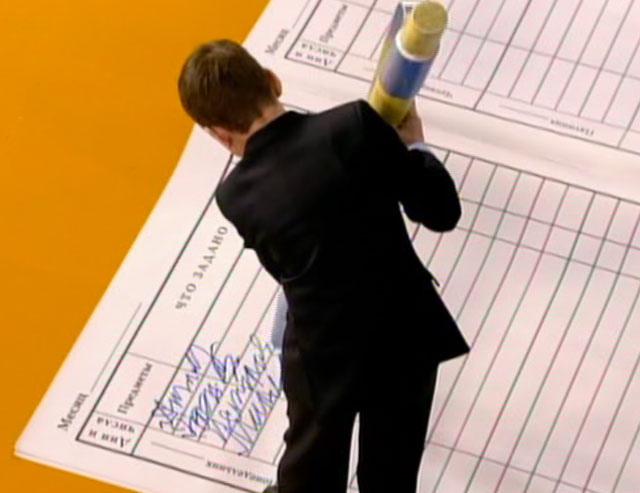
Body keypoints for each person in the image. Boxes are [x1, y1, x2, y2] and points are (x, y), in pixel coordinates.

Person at [178, 39, 470, 493]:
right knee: (391, 472)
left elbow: (283, 268)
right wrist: (414, 146)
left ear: (218, 133)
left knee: (309, 471)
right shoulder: (353, 124)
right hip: (404, 331)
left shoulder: (235, 197)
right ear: (273, 81)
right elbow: (441, 212)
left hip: (322, 350)